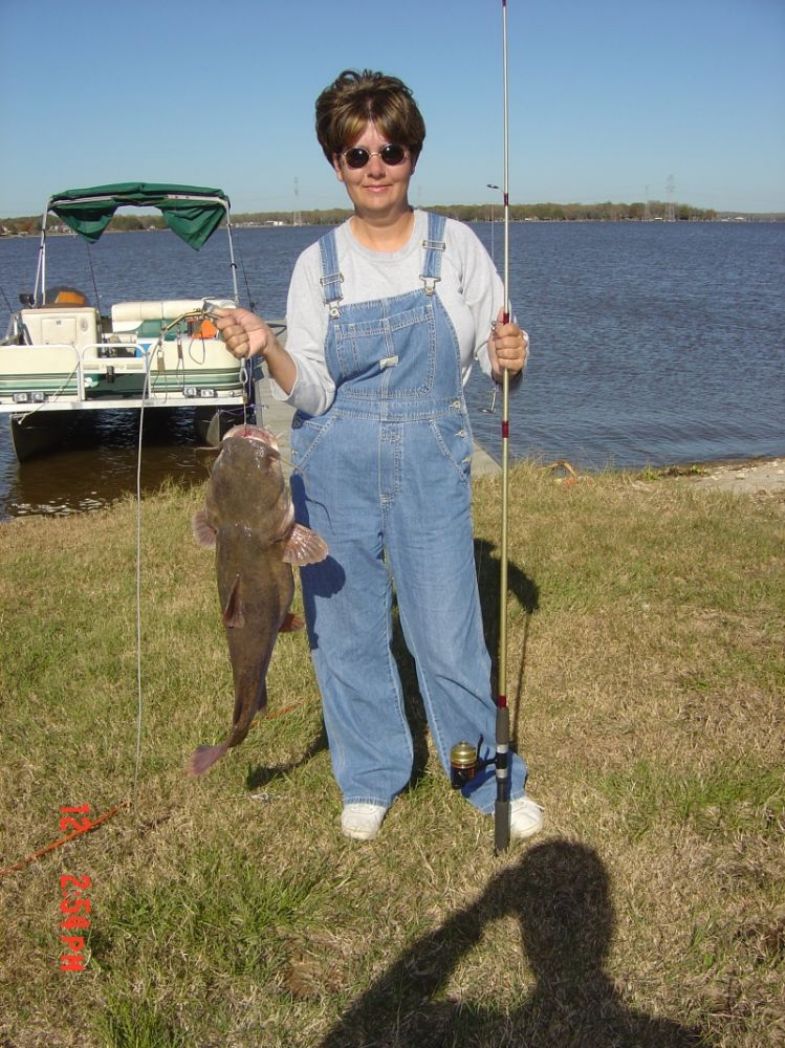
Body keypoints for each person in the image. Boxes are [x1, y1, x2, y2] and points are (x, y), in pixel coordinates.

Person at [216, 69, 543, 843]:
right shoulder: (315, 264)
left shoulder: (456, 246)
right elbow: (313, 389)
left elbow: (496, 363)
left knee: (448, 632)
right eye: (355, 154)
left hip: (431, 456)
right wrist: (269, 348)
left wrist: (512, 357)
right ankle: (368, 774)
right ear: (335, 163)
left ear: (411, 155)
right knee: (346, 631)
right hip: (334, 462)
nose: (374, 167)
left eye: (389, 151)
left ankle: (478, 773)